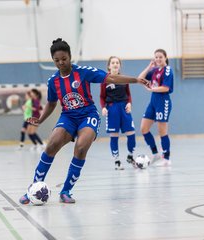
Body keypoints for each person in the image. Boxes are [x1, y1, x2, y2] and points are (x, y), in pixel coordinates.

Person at [19, 38, 147, 204]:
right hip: (68, 117)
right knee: (52, 144)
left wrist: (136, 80)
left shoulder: (83, 72)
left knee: (81, 147)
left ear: (70, 57)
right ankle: (33, 189)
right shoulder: (53, 81)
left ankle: (66, 191)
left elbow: (111, 79)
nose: (61, 63)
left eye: (64, 59)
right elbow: (51, 103)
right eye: (56, 60)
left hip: (88, 115)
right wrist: (40, 120)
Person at [100, 56, 137, 170]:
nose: (115, 64)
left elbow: (128, 94)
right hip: (112, 109)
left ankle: (130, 156)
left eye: (117, 62)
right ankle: (117, 161)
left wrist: (129, 103)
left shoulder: (124, 79)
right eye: (113, 62)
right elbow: (102, 96)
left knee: (131, 134)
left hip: (124, 108)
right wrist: (103, 108)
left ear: (119, 65)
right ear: (109, 66)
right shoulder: (105, 80)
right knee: (114, 136)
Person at [138, 49, 174, 167]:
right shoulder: (154, 70)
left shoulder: (167, 70)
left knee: (162, 131)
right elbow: (140, 79)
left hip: (162, 101)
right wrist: (149, 66)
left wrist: (152, 89)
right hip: (153, 102)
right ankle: (155, 154)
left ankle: (167, 158)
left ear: (165, 58)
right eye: (156, 57)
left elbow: (166, 88)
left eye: (160, 57)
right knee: (144, 128)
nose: (158, 59)